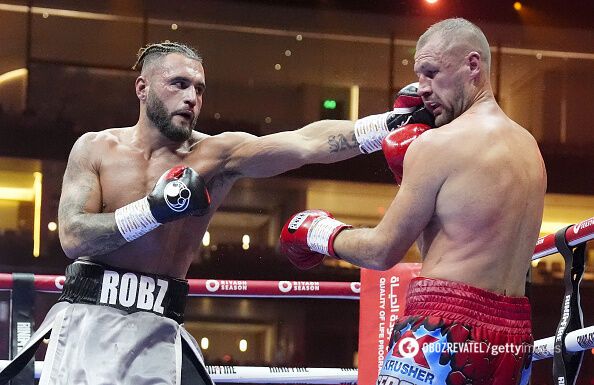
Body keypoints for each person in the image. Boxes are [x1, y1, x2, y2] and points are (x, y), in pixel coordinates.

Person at [0, 42, 433, 385]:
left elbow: (306, 143)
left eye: (199, 89)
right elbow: (74, 237)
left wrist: (387, 125)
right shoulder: (94, 148)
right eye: (179, 84)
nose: (192, 98)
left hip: (156, 330)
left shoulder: (215, 155)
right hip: (85, 322)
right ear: (143, 88)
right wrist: (153, 210)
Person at [280, 18, 546, 385]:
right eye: (419, 76)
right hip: (513, 341)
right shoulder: (530, 148)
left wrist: (317, 233)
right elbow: (455, 229)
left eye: (432, 72)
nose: (421, 88)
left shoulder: (437, 145)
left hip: (441, 328)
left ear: (473, 65)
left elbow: (381, 251)